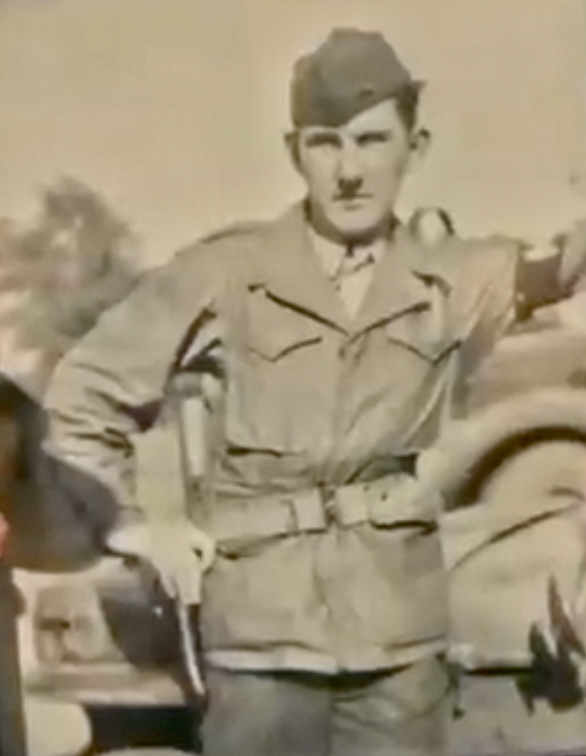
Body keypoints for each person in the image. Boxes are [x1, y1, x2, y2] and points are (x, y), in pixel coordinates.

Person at [36, 27, 586, 756]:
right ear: (296, 152)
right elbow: (80, 397)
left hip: (398, 643)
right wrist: (136, 527)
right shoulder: (226, 273)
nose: (350, 171)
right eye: (326, 144)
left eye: (371, 141)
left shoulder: (453, 278)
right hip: (261, 644)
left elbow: (558, 267)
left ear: (414, 148)